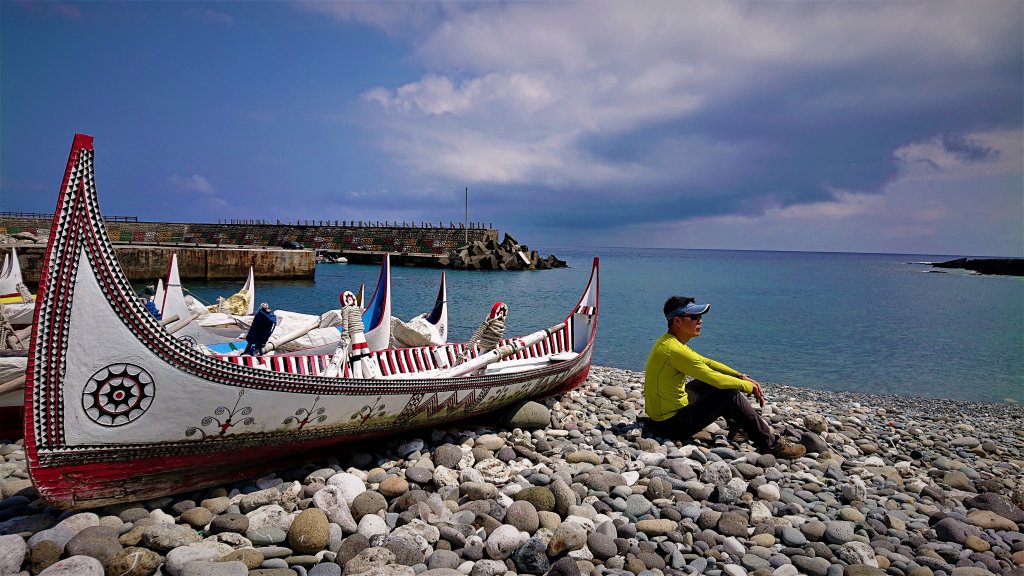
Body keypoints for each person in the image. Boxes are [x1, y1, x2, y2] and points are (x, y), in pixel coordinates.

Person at [644, 295, 805, 459]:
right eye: (694, 317)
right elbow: (717, 380)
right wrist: (751, 387)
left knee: (711, 383)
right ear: (677, 321)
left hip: (660, 418)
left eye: (700, 316)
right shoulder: (675, 350)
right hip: (670, 425)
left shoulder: (667, 342)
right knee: (728, 393)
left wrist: (740, 377)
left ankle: (738, 429)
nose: (700, 321)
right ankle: (771, 446)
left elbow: (707, 363)